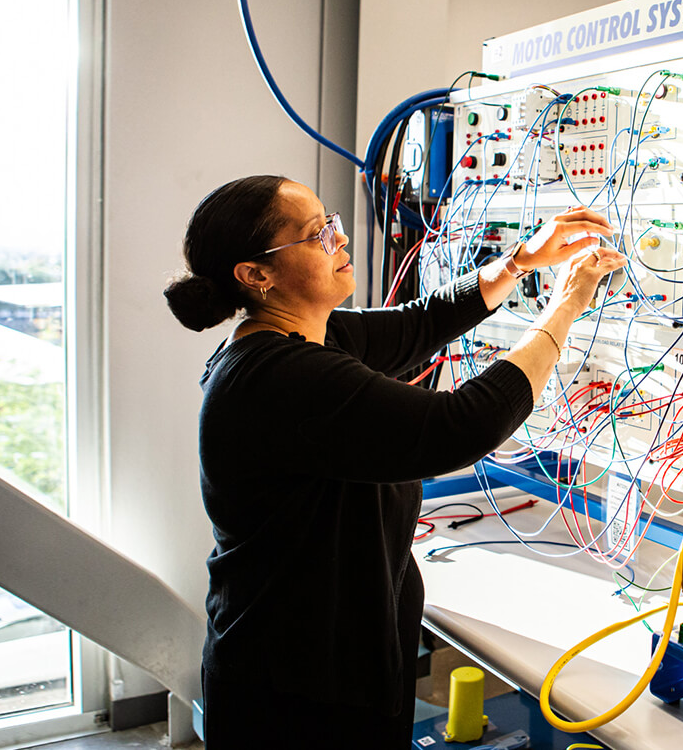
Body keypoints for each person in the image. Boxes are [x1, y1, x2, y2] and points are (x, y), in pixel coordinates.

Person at [163, 175, 626, 748]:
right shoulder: (279, 378)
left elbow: (421, 323)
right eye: (317, 235)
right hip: (297, 690)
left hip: (327, 663)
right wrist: (564, 308)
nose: (342, 241)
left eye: (332, 223)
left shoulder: (304, 338)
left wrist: (521, 260)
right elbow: (463, 426)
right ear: (256, 274)